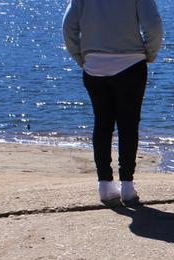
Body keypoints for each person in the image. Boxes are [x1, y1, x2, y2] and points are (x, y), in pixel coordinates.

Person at [63, 0, 163, 207]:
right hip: (131, 64)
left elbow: (68, 27)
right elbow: (153, 25)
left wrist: (81, 58)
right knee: (128, 125)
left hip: (94, 67)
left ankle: (105, 186)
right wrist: (150, 53)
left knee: (102, 124)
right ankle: (127, 185)